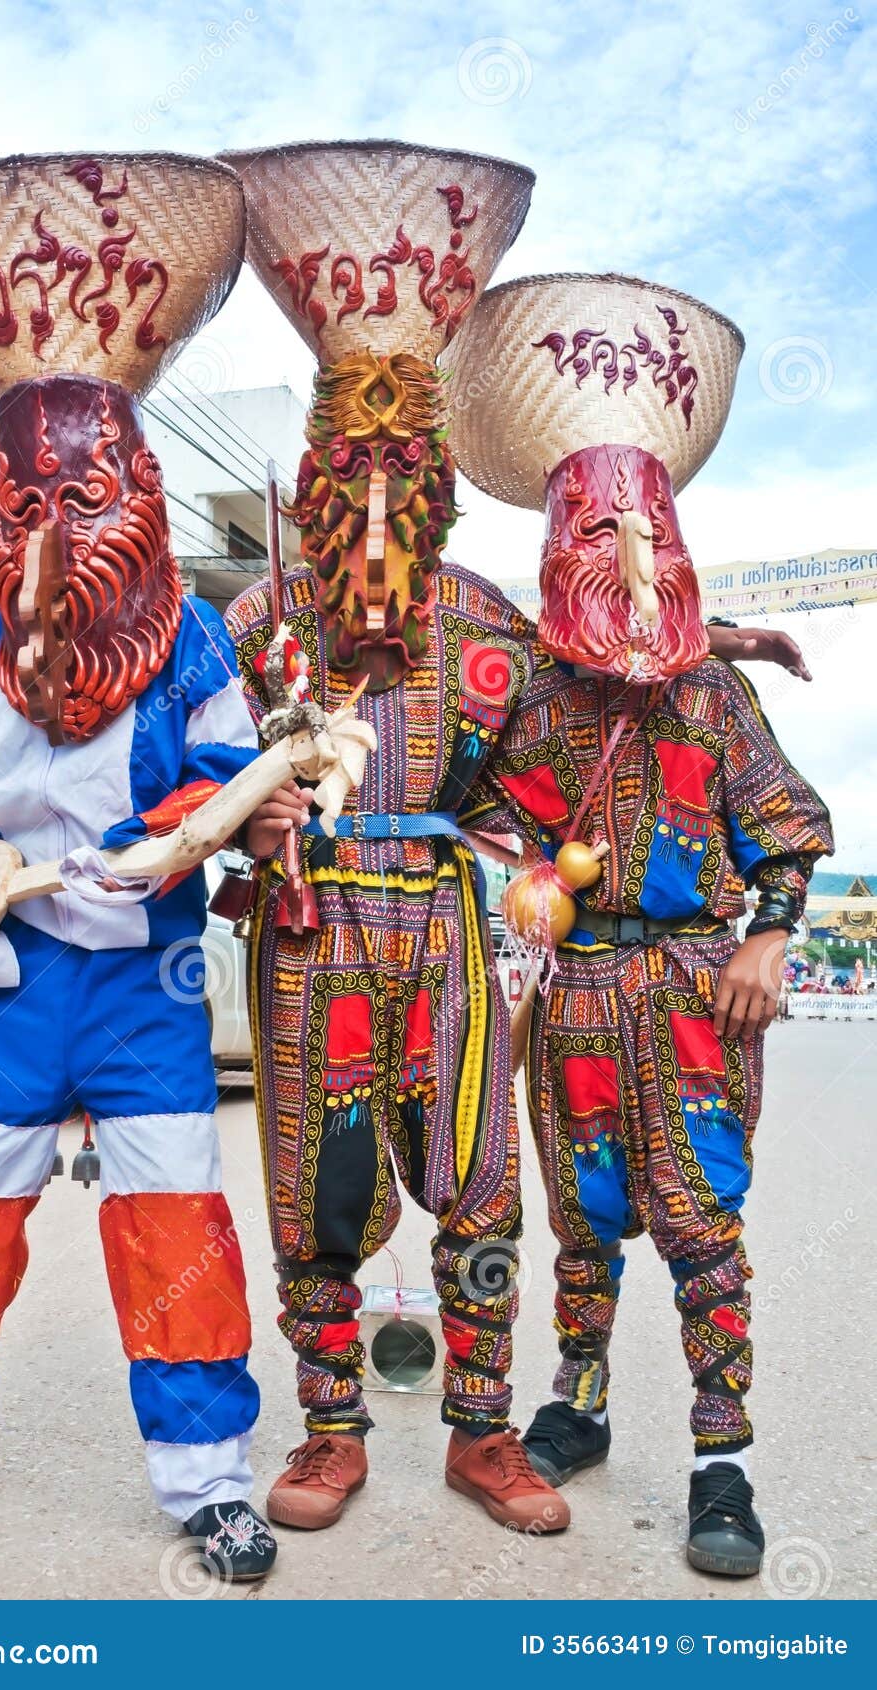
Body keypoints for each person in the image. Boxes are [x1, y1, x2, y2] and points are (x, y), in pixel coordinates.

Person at [229, 142, 814, 1539]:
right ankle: (327, 1429)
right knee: (321, 1191)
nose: (373, 510)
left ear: (435, 480)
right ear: (313, 477)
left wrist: (713, 637)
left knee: (486, 1195)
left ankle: (488, 1432)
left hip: (446, 933)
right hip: (308, 934)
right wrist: (247, 813)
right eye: (346, 473)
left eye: (401, 474)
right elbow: (169, 761)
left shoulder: (490, 627)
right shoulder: (253, 628)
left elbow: (616, 651)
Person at [0, 152, 280, 1581]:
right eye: (26, 501)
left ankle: (209, 1476)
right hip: (7, 983)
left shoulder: (195, 644)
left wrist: (188, 839)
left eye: (79, 498)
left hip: (146, 983)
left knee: (175, 1228)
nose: (50, 533)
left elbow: (228, 773)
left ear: (133, 495)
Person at [448, 271, 833, 1577]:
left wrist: (771, 937)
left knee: (703, 1224)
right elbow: (478, 815)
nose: (625, 556)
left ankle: (722, 1458)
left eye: (647, 533)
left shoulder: (712, 694)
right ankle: (583, 1402)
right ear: (559, 547)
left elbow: (784, 831)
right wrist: (526, 882)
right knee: (584, 1220)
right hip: (576, 1000)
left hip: (692, 992)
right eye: (598, 530)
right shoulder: (532, 700)